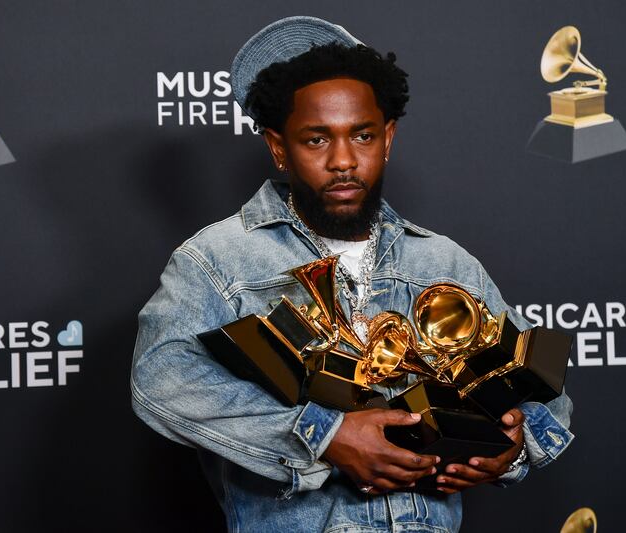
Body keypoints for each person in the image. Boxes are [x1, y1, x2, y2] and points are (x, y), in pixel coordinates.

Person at [131, 16, 573, 533]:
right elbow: (160, 380)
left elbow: (545, 394)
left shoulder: (446, 262)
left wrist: (512, 450)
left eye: (361, 135)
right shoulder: (215, 259)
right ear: (279, 148)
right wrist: (325, 435)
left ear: (387, 138)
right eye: (317, 140)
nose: (343, 160)